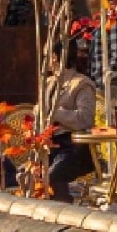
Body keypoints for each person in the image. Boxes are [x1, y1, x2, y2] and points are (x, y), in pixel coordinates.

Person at [41, 40, 98, 203]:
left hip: (73, 145)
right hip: (48, 143)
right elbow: (38, 110)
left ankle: (63, 212)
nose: (45, 61)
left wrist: (55, 113)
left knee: (52, 175)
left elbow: (85, 118)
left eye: (47, 56)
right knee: (27, 173)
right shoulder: (49, 83)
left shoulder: (81, 84)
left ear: (55, 57)